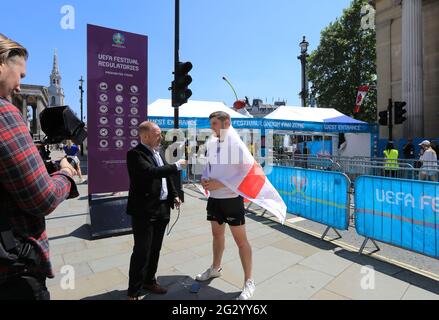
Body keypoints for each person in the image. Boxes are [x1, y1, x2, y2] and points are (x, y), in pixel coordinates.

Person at [0, 34, 78, 300]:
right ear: (1, 64)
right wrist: (65, 174)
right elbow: (42, 198)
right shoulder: (4, 114)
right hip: (13, 267)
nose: (19, 86)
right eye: (19, 74)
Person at [197, 111, 255, 300]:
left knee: (241, 241)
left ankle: (249, 281)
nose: (212, 127)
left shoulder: (236, 143)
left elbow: (248, 172)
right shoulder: (213, 143)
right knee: (217, 235)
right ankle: (215, 268)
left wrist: (220, 184)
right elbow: (209, 167)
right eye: (211, 123)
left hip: (231, 199)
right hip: (214, 199)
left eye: (214, 123)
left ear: (226, 122)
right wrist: (205, 177)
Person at [125, 121, 187, 300]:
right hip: (144, 211)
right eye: (157, 133)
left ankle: (149, 281)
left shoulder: (158, 152)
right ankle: (133, 292)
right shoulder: (134, 154)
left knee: (155, 249)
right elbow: (151, 172)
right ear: (144, 136)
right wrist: (177, 166)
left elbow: (165, 177)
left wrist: (174, 194)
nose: (161, 137)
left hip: (162, 208)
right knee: (142, 251)